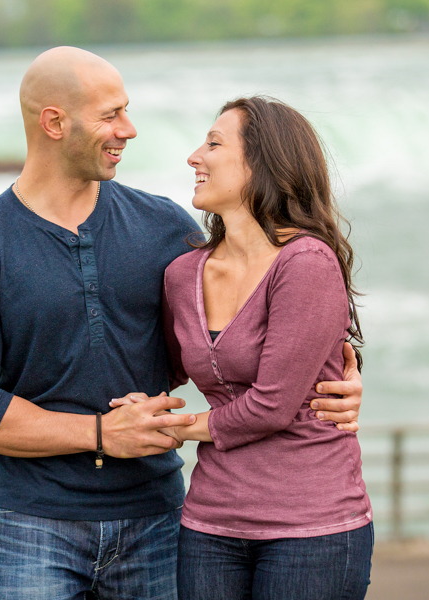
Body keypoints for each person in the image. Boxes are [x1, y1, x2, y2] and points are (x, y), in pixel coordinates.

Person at [0, 47, 364, 600]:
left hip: (159, 520)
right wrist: (100, 434)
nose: (128, 130)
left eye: (126, 111)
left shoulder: (165, 229)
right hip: (29, 526)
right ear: (54, 122)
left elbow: (247, 334)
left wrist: (328, 383)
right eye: (111, 114)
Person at [115, 97, 372, 599]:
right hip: (209, 524)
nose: (194, 157)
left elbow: (272, 405)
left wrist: (177, 427)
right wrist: (130, 411)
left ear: (264, 163)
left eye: (213, 144)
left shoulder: (305, 262)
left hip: (312, 527)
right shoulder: (182, 273)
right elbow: (165, 370)